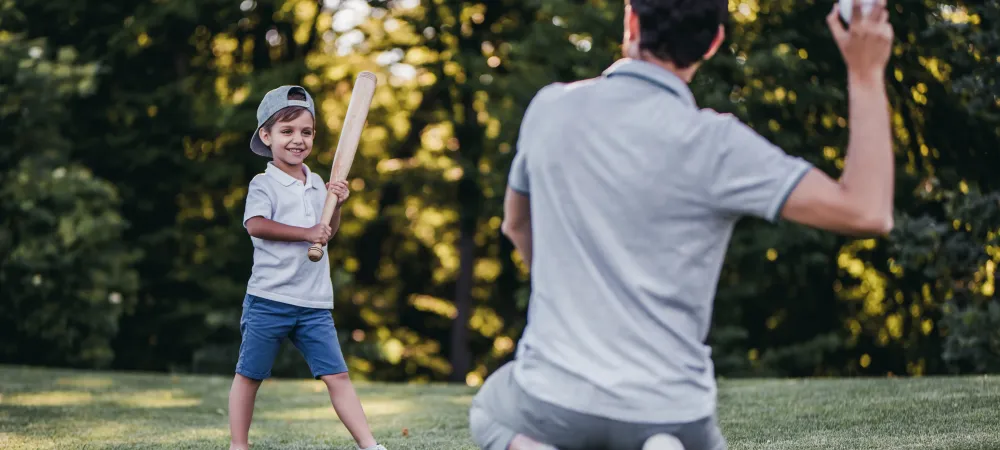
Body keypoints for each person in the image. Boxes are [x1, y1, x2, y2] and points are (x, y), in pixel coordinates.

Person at [469, 0, 895, 449]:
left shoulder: (550, 108)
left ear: (632, 21)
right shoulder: (717, 143)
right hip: (672, 408)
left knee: (491, 413)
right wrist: (865, 72)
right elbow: (868, 211)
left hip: (555, 399)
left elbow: (516, 225)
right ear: (713, 43)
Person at [229, 85, 387, 450]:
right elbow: (255, 225)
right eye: (287, 131)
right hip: (269, 298)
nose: (297, 139)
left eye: (306, 131)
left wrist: (338, 204)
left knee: (338, 375)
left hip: (313, 302)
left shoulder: (317, 183)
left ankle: (369, 445)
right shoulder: (263, 184)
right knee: (249, 376)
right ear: (266, 136)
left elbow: (326, 231)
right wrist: (305, 233)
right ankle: (239, 445)